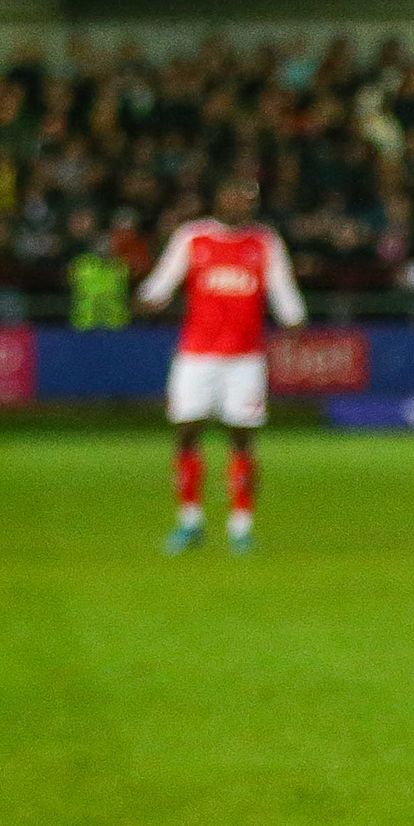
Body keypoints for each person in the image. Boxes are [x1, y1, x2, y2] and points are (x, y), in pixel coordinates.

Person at [137, 178, 305, 555]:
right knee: (186, 431)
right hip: (196, 356)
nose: (240, 205)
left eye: (247, 199)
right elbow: (162, 282)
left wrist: (293, 317)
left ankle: (241, 526)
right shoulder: (193, 237)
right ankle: (189, 520)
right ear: (218, 199)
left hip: (245, 359)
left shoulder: (265, 242)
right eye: (234, 197)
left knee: (242, 436)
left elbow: (282, 288)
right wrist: (150, 297)